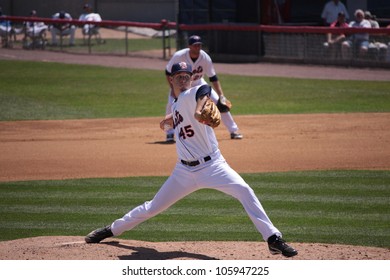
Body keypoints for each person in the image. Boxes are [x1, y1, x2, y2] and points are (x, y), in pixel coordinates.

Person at [84, 62, 298, 258]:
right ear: (171, 79)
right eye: (179, 76)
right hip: (183, 173)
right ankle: (111, 230)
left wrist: (198, 110)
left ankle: (273, 238)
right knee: (152, 208)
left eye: (187, 75)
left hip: (213, 166)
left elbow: (205, 90)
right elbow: (180, 112)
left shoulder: (195, 92)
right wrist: (169, 119)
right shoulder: (176, 104)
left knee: (244, 191)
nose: (184, 79)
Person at [164, 35, 243, 142]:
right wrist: (173, 89)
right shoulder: (179, 55)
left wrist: (221, 95)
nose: (197, 47)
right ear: (189, 46)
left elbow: (213, 77)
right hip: (181, 85)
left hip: (199, 84)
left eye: (199, 45)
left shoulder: (205, 57)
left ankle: (234, 131)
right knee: (171, 105)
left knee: (220, 104)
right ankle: (169, 133)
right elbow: (168, 72)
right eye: (195, 45)